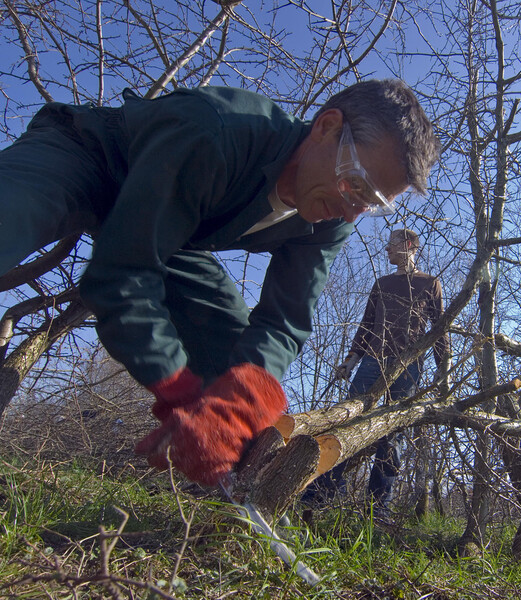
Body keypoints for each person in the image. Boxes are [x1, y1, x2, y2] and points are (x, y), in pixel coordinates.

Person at [0, 80, 440, 486]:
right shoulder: (217, 132)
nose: (350, 213)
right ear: (326, 127)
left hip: (171, 236)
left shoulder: (332, 216)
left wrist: (235, 408)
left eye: (371, 204)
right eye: (355, 185)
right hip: (88, 154)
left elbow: (284, 323)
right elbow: (123, 272)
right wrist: (177, 389)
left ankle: (237, 506)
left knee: (242, 376)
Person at [303, 228, 450, 512]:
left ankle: (377, 507)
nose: (386, 250)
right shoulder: (381, 284)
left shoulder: (430, 283)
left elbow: (439, 328)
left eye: (392, 245)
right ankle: (323, 493)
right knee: (347, 421)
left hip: (408, 365)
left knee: (393, 431)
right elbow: (366, 325)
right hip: (373, 360)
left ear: (408, 245)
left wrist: (444, 369)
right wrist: (351, 360)